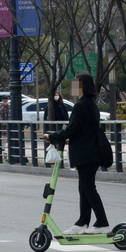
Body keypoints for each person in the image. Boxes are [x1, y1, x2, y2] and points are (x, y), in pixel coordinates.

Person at [43, 74, 110, 235]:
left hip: (87, 153)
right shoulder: (90, 104)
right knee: (84, 188)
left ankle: (102, 222)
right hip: (90, 152)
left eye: (75, 84)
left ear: (82, 86)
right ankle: (82, 222)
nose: (73, 87)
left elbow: (72, 129)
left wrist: (52, 137)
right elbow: (80, 129)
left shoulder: (82, 105)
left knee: (88, 188)